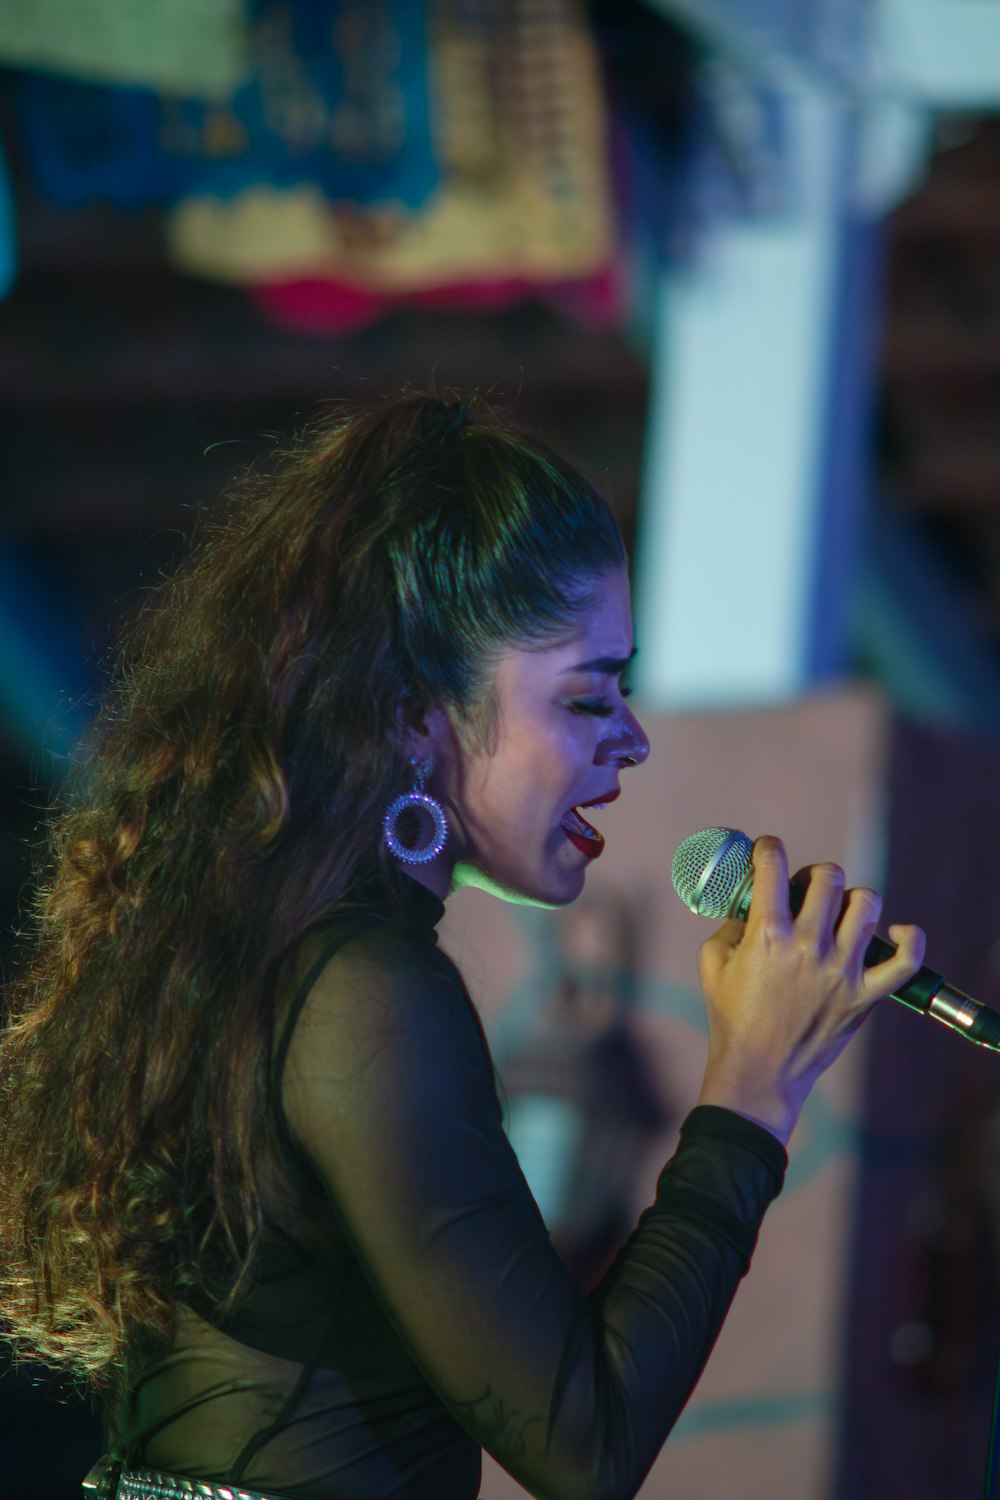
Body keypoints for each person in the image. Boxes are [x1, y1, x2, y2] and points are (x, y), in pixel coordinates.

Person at [0, 391, 925, 1500]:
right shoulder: (360, 993)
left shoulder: (279, 954)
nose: (629, 739)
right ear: (407, 711)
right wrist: (752, 1091)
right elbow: (582, 1444)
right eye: (586, 700)